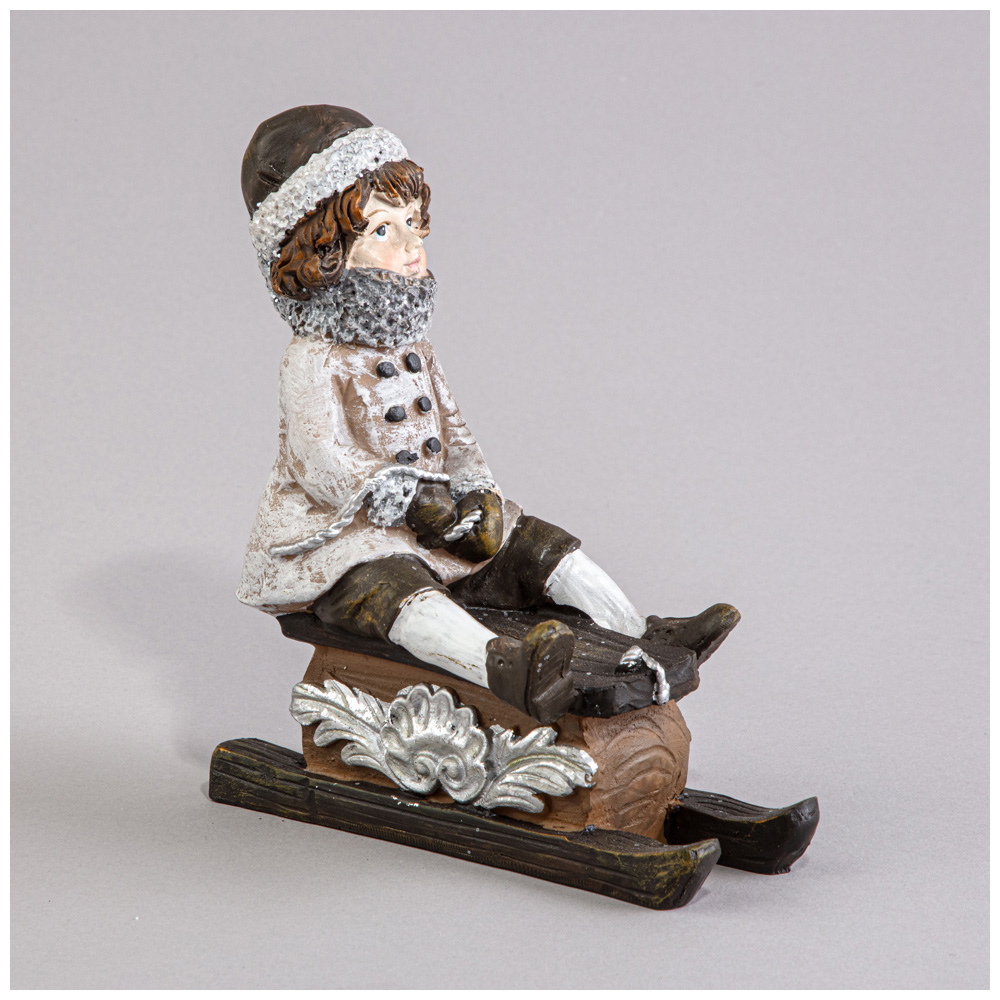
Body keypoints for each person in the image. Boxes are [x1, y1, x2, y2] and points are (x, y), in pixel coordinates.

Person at [237, 105, 739, 724]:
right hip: (347, 537)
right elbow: (323, 463)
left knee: (531, 544)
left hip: (435, 516)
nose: (413, 243)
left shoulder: (414, 345)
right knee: (395, 591)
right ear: (322, 253)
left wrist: (478, 491)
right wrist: (406, 499)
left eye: (413, 221)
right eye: (383, 229)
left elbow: (455, 432)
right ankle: (500, 665)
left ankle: (639, 628)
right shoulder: (314, 358)